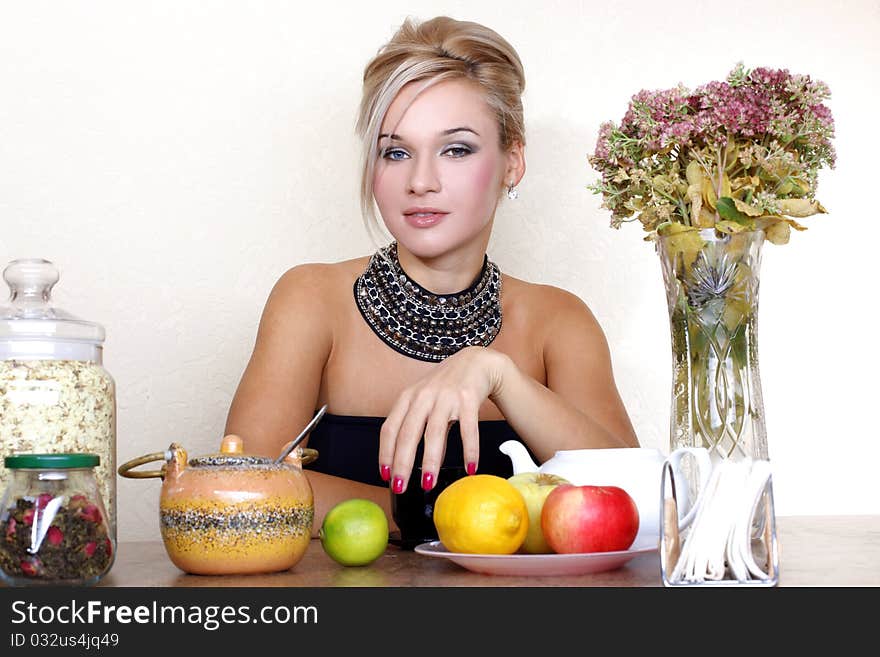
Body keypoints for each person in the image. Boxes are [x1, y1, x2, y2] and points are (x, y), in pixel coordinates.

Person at [224, 16, 639, 535]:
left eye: (456, 149)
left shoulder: (559, 321)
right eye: (396, 152)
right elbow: (241, 492)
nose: (420, 181)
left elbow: (633, 499)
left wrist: (499, 375)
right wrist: (438, 517)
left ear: (513, 162)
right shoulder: (311, 300)